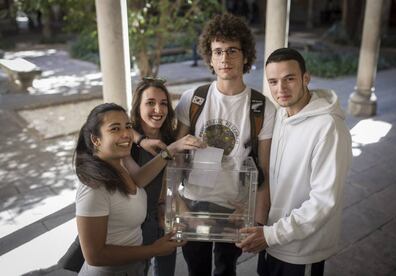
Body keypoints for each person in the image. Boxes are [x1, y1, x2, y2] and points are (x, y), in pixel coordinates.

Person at [174, 13, 276, 276]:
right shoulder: (192, 99)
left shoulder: (262, 107)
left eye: (232, 50)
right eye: (217, 51)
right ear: (209, 56)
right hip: (195, 203)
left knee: (226, 269)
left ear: (246, 56)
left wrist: (258, 219)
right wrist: (179, 208)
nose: (224, 58)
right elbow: (175, 160)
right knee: (196, 270)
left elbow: (265, 169)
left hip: (236, 208)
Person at [236, 48, 352, 276]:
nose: (281, 89)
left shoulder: (329, 128)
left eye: (289, 78)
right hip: (273, 241)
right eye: (273, 81)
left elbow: (323, 202)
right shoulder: (280, 116)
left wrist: (271, 235)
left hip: (301, 250)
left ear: (305, 78)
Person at [75, 103, 205, 275]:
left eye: (128, 126)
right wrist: (154, 250)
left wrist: (171, 149)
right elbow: (95, 256)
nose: (126, 134)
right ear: (95, 139)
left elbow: (142, 178)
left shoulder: (120, 166)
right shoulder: (94, 188)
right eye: (114, 129)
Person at [130, 78, 177, 276]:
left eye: (163, 103)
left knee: (166, 271)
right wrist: (140, 139)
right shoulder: (126, 141)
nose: (158, 110)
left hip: (164, 217)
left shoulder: (171, 138)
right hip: (134, 224)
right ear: (137, 106)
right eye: (150, 103)